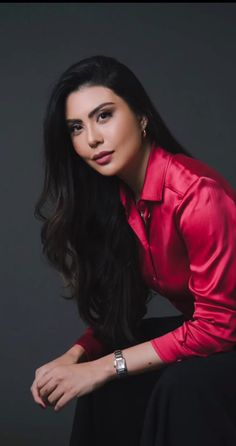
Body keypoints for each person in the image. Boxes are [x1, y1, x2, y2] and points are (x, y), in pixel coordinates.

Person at [30, 55, 236, 446]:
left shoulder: (196, 194)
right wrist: (76, 356)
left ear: (141, 116)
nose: (91, 138)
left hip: (224, 334)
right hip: (218, 336)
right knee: (105, 368)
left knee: (180, 383)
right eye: (77, 127)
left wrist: (107, 367)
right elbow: (121, 314)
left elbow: (219, 326)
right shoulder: (121, 202)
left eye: (103, 116)